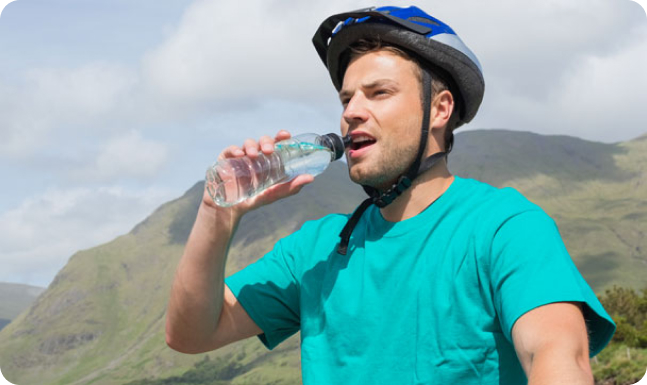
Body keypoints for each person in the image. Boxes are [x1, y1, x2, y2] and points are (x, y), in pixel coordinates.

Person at [166, 6, 616, 384]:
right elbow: (190, 335)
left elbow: (558, 360)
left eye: (378, 93)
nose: (352, 113)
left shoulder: (503, 225)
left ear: (440, 109)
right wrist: (217, 213)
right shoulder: (316, 250)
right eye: (346, 100)